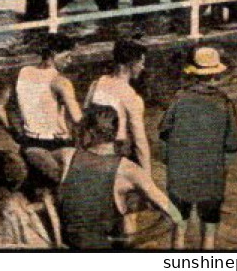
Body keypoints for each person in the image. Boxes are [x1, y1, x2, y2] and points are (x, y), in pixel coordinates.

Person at [56, 104, 182, 249]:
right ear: (115, 132)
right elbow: (175, 215)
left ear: (90, 132)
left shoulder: (67, 155)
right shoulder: (129, 170)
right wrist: (137, 237)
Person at [160, 45, 237, 250]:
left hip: (180, 175)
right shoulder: (224, 103)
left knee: (179, 227)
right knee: (209, 230)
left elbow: (163, 130)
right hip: (210, 176)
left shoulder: (179, 98)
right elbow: (233, 143)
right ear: (216, 75)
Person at [0, 33, 81, 194]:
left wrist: (13, 131)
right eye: (68, 56)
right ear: (54, 54)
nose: (70, 61)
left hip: (29, 143)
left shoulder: (20, 74)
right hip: (57, 145)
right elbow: (78, 119)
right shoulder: (61, 82)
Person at [86, 38, 151, 173]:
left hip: (91, 150)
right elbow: (140, 142)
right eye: (141, 63)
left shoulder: (96, 84)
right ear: (132, 64)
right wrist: (147, 176)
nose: (142, 67)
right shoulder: (131, 96)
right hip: (115, 156)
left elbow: (84, 121)